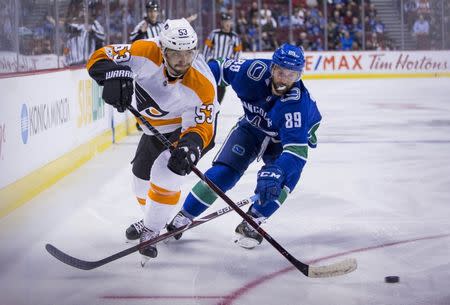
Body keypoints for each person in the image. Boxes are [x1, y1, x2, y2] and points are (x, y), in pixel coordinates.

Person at [86, 18, 218, 264]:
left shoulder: (203, 84)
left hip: (190, 131)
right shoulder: (144, 51)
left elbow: (202, 126)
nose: (183, 60)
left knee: (168, 171)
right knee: (139, 181)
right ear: (162, 49)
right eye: (175, 53)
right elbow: (99, 56)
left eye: (189, 53)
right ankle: (155, 216)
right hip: (153, 129)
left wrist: (190, 147)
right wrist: (113, 75)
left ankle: (152, 229)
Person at [166, 43, 322, 249]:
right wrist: (186, 83)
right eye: (281, 72)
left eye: (291, 75)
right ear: (272, 67)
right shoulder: (252, 72)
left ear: (299, 75)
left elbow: (296, 152)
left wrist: (277, 171)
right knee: (223, 173)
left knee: (280, 181)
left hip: (283, 139)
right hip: (252, 127)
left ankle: (254, 220)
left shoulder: (297, 105)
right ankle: (184, 216)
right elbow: (218, 67)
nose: (284, 79)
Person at [203, 12, 242, 104]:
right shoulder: (214, 34)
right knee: (212, 85)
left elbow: (238, 52)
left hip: (225, 65)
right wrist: (205, 62)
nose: (227, 23)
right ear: (221, 23)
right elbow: (207, 47)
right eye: (225, 21)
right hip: (214, 63)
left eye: (229, 21)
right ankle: (209, 104)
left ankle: (216, 106)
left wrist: (234, 63)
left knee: (221, 88)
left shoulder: (235, 37)